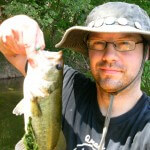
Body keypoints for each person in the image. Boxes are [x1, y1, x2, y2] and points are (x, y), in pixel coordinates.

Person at [0, 2, 150, 150]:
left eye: (125, 43)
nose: (109, 56)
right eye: (97, 43)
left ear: (146, 52)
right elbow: (9, 48)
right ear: (88, 50)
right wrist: (16, 26)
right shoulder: (64, 85)